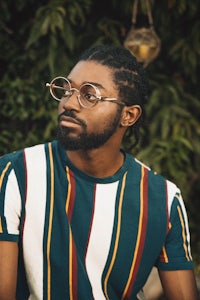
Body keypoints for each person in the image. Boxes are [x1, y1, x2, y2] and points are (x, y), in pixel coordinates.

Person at [0, 45, 199, 300]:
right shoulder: (17, 173)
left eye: (89, 95)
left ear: (128, 115)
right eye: (67, 89)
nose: (69, 103)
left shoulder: (163, 201)